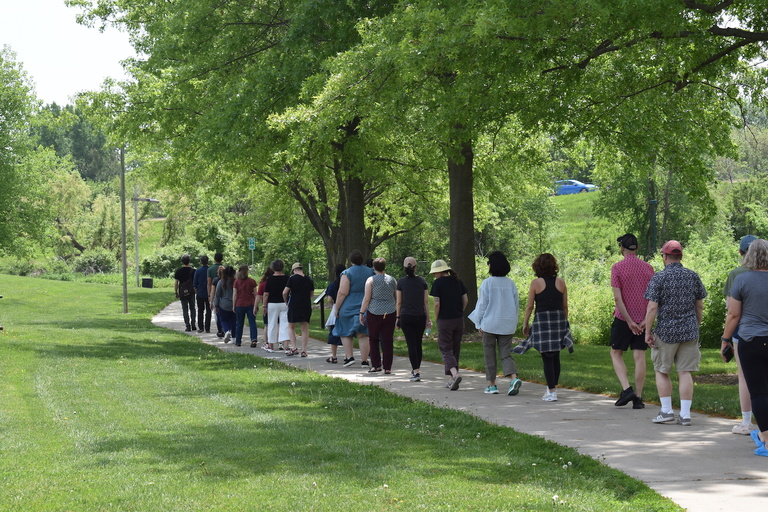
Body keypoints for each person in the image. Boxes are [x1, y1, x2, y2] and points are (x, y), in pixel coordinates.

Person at [644, 240, 707, 426]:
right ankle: (685, 415)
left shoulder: (659, 278)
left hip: (666, 332)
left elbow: (652, 307)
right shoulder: (692, 276)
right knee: (685, 372)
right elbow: (699, 306)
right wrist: (695, 325)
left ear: (664, 256)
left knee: (662, 370)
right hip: (689, 331)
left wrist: (648, 331)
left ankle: (666, 411)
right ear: (681, 256)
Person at [721, 238, 768, 457]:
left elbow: (733, 314)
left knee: (758, 391)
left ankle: (765, 438)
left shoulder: (742, 280)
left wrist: (725, 339)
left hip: (751, 340)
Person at [515, 253, 573, 402]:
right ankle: (551, 389)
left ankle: (552, 392)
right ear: (554, 266)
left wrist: (525, 323)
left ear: (537, 266)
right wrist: (564, 322)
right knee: (555, 356)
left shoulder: (535, 283)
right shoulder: (561, 282)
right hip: (558, 320)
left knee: (547, 356)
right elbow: (565, 306)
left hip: (542, 321)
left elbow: (529, 306)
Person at [610, 234, 655, 409]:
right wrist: (645, 320)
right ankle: (639, 398)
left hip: (623, 318)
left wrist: (629, 321)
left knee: (616, 352)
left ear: (622, 248)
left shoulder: (617, 268)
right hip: (643, 319)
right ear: (637, 248)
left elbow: (618, 298)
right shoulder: (648, 268)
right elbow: (652, 298)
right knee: (639, 355)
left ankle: (627, 389)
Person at [468, 251, 522, 396]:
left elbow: (482, 305)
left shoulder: (487, 283)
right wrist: (514, 322)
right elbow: (516, 305)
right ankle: (513, 378)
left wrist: (478, 323)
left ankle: (492, 385)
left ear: (491, 265)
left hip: (490, 324)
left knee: (489, 355)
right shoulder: (511, 284)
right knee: (506, 354)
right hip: (507, 324)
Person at [722, 235, 758, 435]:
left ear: (741, 252)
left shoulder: (736, 274)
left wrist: (725, 338)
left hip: (742, 331)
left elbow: (731, 308)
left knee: (744, 376)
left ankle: (746, 422)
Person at [430, 259, 468, 390]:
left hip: (445, 320)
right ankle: (451, 380)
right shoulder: (458, 281)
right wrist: (459, 311)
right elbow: (466, 300)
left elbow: (436, 303)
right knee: (455, 348)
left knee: (445, 348)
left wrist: (437, 317)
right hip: (458, 320)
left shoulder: (438, 283)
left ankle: (455, 374)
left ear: (440, 272)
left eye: (434, 273)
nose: (434, 275)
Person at [332, 250, 375, 367]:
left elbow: (343, 292)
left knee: (345, 331)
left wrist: (337, 308)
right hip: (366, 305)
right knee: (363, 334)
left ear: (350, 261)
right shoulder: (371, 271)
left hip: (348, 306)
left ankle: (349, 357)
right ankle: (364, 361)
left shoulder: (347, 273)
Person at [396, 257, 431, 382]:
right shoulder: (422, 281)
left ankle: (415, 371)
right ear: (415, 267)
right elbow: (426, 301)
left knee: (411, 344)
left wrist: (398, 317)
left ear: (404, 267)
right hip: (419, 316)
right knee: (418, 343)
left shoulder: (401, 282)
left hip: (406, 316)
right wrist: (428, 318)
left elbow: (399, 302)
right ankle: (417, 369)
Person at [360, 257, 397, 374]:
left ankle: (376, 365)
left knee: (374, 339)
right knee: (387, 340)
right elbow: (396, 297)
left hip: (374, 312)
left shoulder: (370, 280)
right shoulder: (392, 280)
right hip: (390, 312)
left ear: (374, 267)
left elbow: (367, 298)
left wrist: (361, 312)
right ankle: (388, 367)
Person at [283, 262, 315, 357]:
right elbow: (312, 294)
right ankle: (304, 350)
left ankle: (294, 347)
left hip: (294, 304)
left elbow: (285, 292)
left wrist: (286, 301)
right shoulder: (309, 279)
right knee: (304, 328)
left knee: (291, 326)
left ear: (294, 270)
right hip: (306, 304)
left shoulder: (292, 278)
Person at [263, 259, 291, 354]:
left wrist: (264, 306)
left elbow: (266, 294)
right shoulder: (287, 278)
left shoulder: (270, 279)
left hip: (272, 304)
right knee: (285, 324)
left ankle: (271, 345)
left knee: (272, 324)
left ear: (273, 267)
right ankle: (286, 346)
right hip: (284, 303)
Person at [324, 264, 346, 363]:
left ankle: (334, 356)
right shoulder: (348, 284)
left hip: (336, 308)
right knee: (346, 334)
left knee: (333, 333)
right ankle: (347, 355)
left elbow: (329, 299)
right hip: (346, 308)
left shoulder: (333, 285)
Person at [232, 265, 258, 347]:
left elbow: (235, 295)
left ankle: (238, 341)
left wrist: (233, 305)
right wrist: (256, 305)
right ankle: (253, 339)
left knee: (239, 323)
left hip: (239, 304)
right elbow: (256, 294)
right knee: (252, 322)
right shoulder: (252, 281)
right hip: (250, 304)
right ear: (247, 271)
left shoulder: (236, 282)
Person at [174, 254, 197, 332]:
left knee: (185, 309)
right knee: (192, 308)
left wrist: (176, 292)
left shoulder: (178, 271)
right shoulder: (193, 271)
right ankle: (193, 324)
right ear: (189, 261)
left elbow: (176, 283)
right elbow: (195, 282)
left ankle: (187, 326)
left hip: (183, 292)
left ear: (182, 262)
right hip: (191, 291)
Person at [213, 265, 236, 343]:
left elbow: (217, 294)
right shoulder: (235, 282)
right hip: (234, 304)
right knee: (233, 321)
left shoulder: (221, 282)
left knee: (223, 320)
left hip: (223, 304)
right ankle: (234, 337)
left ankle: (226, 331)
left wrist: (216, 305)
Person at [256, 267, 274, 351]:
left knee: (267, 325)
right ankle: (280, 343)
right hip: (276, 304)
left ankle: (267, 342)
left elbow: (259, 296)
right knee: (277, 324)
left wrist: (256, 306)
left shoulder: (262, 284)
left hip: (266, 305)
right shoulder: (275, 282)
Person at [193, 255, 212, 333]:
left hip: (200, 293)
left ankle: (201, 327)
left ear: (201, 262)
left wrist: (196, 292)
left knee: (200, 310)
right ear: (207, 261)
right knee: (208, 311)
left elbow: (195, 283)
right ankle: (207, 328)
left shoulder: (198, 271)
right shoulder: (209, 270)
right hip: (209, 293)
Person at [208, 252, 224, 338]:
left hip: (215, 296)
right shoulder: (225, 268)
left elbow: (209, 283)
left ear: (214, 259)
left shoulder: (210, 269)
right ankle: (225, 329)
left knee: (216, 313)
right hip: (225, 296)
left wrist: (209, 296)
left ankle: (220, 330)